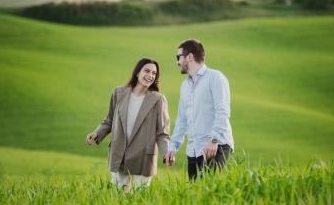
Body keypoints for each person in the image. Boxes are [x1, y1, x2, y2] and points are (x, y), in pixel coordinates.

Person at [86, 58, 170, 192]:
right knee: (118, 196)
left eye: (154, 73)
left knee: (140, 197)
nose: (150, 76)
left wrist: (166, 153)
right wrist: (97, 133)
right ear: (137, 73)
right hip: (120, 153)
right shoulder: (118, 93)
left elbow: (162, 132)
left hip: (143, 157)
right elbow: (110, 119)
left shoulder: (158, 100)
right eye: (147, 71)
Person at [165, 39, 234, 180]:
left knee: (211, 191)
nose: (177, 62)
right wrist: (172, 147)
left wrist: (213, 139)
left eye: (178, 57)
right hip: (194, 150)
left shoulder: (215, 77)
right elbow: (182, 120)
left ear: (189, 57)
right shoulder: (185, 86)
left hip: (216, 146)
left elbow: (223, 111)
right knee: (195, 195)